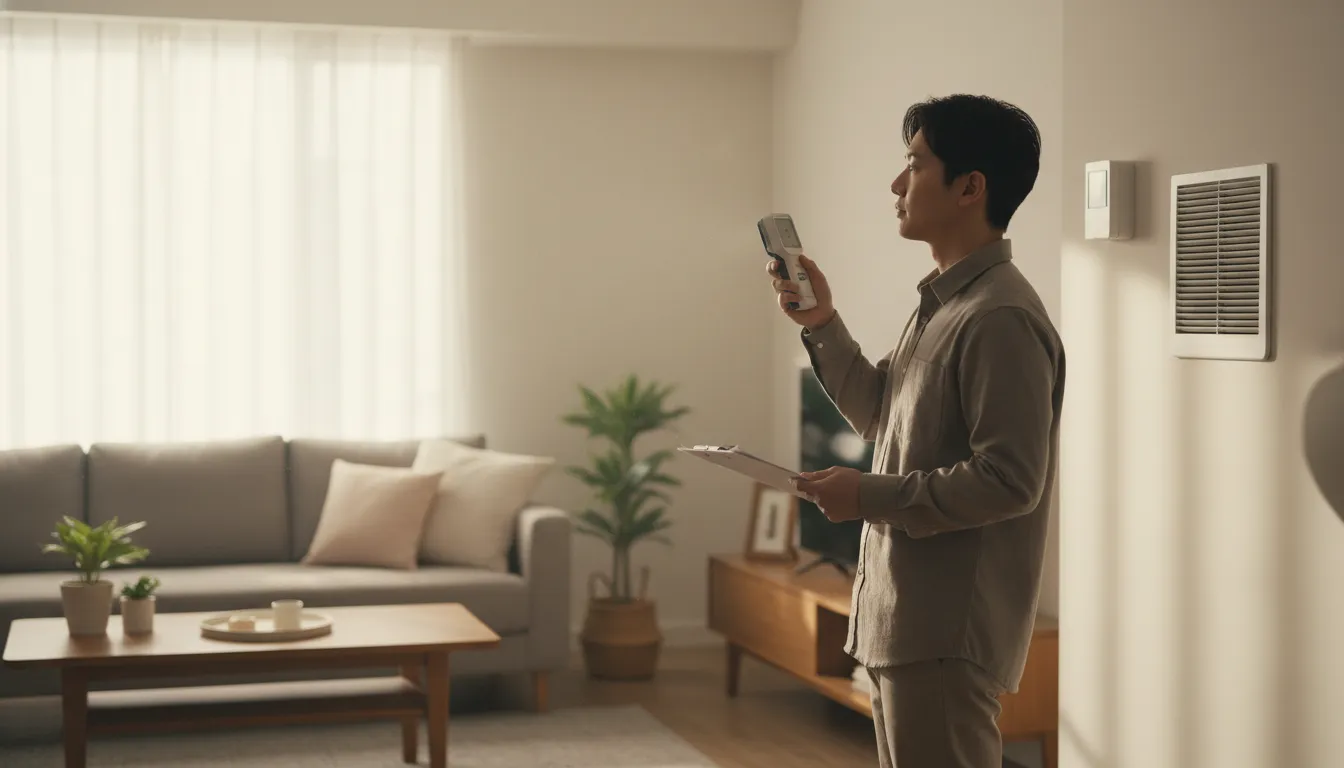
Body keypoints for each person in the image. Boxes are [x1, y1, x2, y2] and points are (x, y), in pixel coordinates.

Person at [773, 94, 1066, 768]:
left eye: (915, 165)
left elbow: (1010, 481)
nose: (897, 185)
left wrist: (865, 496)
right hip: (904, 621)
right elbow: (882, 413)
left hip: (943, 630)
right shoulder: (942, 304)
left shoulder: (1000, 319)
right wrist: (820, 321)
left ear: (970, 187)